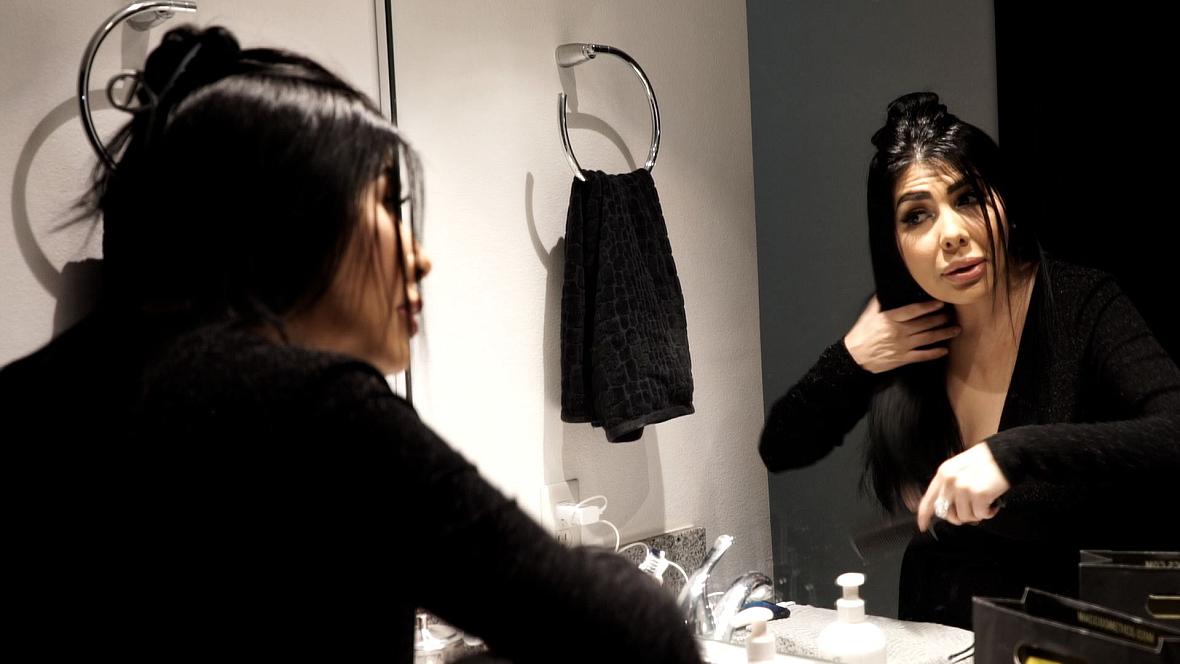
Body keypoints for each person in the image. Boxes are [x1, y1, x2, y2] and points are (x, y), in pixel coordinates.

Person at [0, 26, 703, 662]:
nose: (419, 256)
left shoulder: (22, 400)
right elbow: (638, 638)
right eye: (389, 204)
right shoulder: (317, 411)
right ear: (287, 220)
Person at [758, 91, 1180, 629]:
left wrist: (1013, 454)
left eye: (967, 199)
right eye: (918, 216)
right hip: (935, 632)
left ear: (1001, 200)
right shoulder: (902, 330)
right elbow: (782, 446)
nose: (952, 234)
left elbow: (1173, 432)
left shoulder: (1080, 305)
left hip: (1065, 640)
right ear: (893, 241)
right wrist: (851, 358)